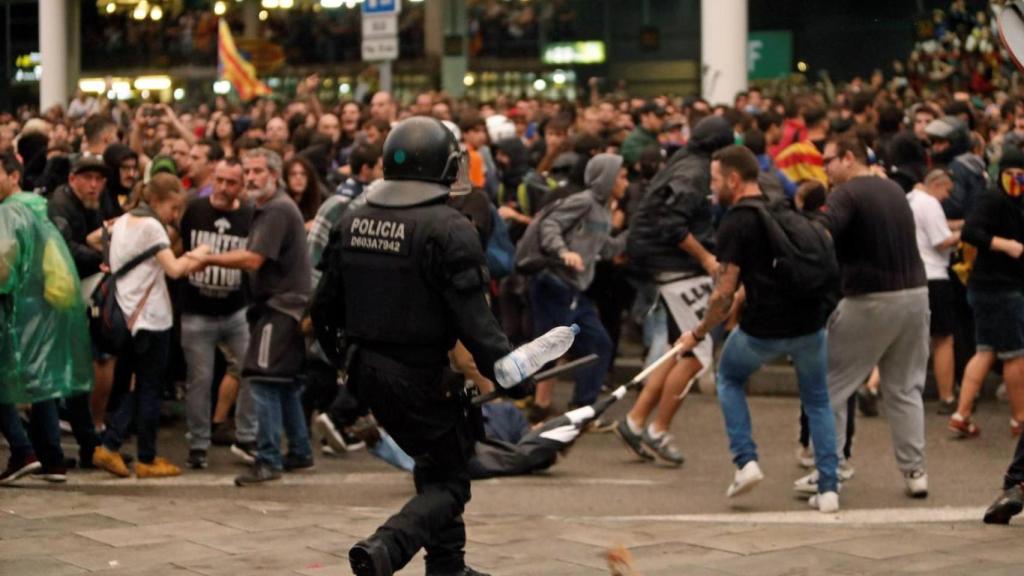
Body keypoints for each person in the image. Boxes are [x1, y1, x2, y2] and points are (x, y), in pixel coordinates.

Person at [311, 117, 526, 576]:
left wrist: (344, 362)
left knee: (435, 461)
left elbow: (323, 308)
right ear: (446, 167)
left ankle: (448, 566)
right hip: (420, 375)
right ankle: (387, 546)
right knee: (452, 482)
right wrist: (511, 373)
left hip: (366, 369)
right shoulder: (449, 227)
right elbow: (476, 323)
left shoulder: (353, 219)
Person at [676, 145, 839, 511]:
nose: (711, 188)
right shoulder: (777, 204)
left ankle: (745, 461)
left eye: (715, 180)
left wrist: (699, 332)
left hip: (763, 328)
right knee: (817, 400)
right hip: (810, 320)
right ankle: (828, 488)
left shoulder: (736, 221)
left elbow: (724, 292)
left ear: (734, 180)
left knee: (728, 378)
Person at [817, 133, 930, 499]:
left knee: (830, 386)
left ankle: (828, 472)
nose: (826, 169)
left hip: (869, 299)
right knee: (905, 388)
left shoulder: (847, 193)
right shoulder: (895, 190)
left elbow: (823, 233)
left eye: (829, 160)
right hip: (915, 295)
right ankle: (915, 472)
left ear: (849, 158)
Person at [616, 116, 733, 466]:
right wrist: (708, 260)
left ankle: (637, 421)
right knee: (698, 351)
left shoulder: (684, 161)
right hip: (674, 266)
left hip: (657, 261)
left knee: (675, 345)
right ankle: (658, 429)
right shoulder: (694, 173)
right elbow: (672, 223)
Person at [196, 148, 315, 485]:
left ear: (274, 176)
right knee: (286, 384)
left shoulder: (276, 208)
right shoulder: (272, 207)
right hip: (288, 308)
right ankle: (301, 452)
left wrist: (208, 259)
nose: (250, 178)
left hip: (279, 308)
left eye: (257, 171)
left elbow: (253, 260)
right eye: (247, 172)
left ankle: (268, 458)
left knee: (262, 381)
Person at [92, 173, 208, 479]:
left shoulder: (123, 220)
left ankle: (120, 446)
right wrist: (200, 255)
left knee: (139, 385)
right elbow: (174, 269)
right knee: (150, 388)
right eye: (174, 207)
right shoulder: (152, 226)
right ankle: (136, 453)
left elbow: (94, 238)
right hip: (151, 319)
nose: (176, 215)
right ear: (157, 200)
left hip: (125, 316)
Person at [0, 152, 92, 484]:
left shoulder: (10, 212)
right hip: (45, 307)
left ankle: (25, 451)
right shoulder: (37, 206)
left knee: (8, 382)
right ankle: (52, 459)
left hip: (20, 310)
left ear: (13, 175)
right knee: (40, 385)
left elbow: (3, 269)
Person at [530, 153, 629, 410]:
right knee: (551, 347)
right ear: (606, 178)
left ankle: (581, 410)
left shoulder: (604, 212)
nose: (625, 182)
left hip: (574, 289)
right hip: (555, 285)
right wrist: (564, 253)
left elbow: (606, 249)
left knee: (599, 345)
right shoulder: (582, 202)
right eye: (621, 176)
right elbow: (549, 224)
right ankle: (537, 405)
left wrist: (634, 235)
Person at [178, 158, 258, 470]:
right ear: (213, 178)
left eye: (232, 182)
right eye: (220, 180)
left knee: (251, 369)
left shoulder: (249, 215)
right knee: (200, 379)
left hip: (235, 309)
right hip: (196, 310)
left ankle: (247, 435)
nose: (224, 188)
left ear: (241, 185)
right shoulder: (194, 209)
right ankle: (198, 443)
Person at [949, 145, 1024, 439]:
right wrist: (1005, 245)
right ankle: (1019, 419)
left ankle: (961, 413)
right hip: (1000, 288)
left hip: (991, 288)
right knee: (1015, 355)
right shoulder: (993, 199)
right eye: (1011, 174)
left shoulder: (1010, 201)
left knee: (986, 350)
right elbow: (971, 232)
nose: (1016, 180)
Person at [907, 169, 961, 415]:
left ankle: (873, 387)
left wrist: (960, 223)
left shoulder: (912, 199)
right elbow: (941, 240)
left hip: (912, 276)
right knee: (943, 339)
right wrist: (968, 234)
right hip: (935, 276)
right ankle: (947, 396)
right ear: (937, 185)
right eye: (946, 191)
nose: (947, 197)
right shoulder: (930, 203)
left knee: (905, 339)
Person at [620, 102, 665, 170]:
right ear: (644, 117)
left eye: (662, 117)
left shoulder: (654, 135)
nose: (662, 120)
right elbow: (647, 167)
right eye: (658, 116)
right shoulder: (634, 140)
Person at [284, 155, 324, 227]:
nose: (298, 178)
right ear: (286, 178)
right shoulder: (282, 206)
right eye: (293, 174)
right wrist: (304, 227)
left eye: (303, 174)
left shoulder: (313, 202)